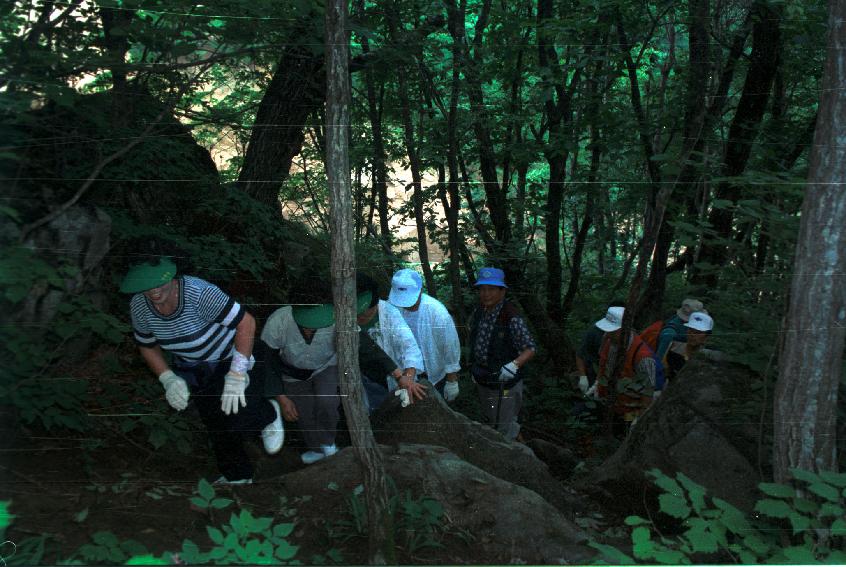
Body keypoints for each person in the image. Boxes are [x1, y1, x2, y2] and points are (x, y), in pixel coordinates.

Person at [121, 254, 283, 485]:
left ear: (173, 275)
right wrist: (167, 378)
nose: (153, 291)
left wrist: (237, 373)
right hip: (194, 366)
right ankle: (237, 476)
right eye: (145, 285)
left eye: (158, 282)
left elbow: (246, 323)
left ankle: (268, 413)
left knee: (236, 414)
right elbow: (147, 345)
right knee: (215, 422)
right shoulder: (139, 306)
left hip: (234, 353)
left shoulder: (198, 293)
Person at [257, 286, 341, 466]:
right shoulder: (279, 320)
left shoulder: (337, 317)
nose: (310, 327)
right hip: (291, 371)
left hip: (325, 366)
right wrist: (280, 397)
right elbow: (267, 362)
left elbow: (363, 347)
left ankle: (329, 443)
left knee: (327, 400)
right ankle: (316, 449)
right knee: (301, 411)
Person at [467, 267, 536, 440]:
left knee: (503, 426)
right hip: (483, 378)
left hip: (505, 383)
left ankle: (512, 457)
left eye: (491, 289)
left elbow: (530, 348)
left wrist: (514, 365)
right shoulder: (479, 312)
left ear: (502, 291)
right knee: (491, 419)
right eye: (482, 289)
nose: (486, 294)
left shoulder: (511, 316)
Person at [356, 274, 427, 411]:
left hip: (390, 375)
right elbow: (367, 347)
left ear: (376, 304)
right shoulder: (344, 315)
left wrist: (408, 377)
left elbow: (409, 345)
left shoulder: (389, 312)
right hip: (366, 375)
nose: (361, 318)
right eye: (358, 314)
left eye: (366, 314)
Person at [388, 268, 461, 402]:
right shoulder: (392, 308)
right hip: (404, 373)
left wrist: (452, 380)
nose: (405, 304)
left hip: (433, 373)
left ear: (420, 291)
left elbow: (449, 345)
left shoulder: (437, 313)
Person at [592, 306, 662, 429]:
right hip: (609, 405)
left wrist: (640, 417)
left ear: (624, 330)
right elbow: (603, 365)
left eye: (612, 331)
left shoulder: (644, 357)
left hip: (629, 410)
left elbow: (648, 392)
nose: (607, 334)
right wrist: (597, 384)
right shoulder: (609, 342)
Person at [576, 299, 626, 395]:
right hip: (594, 373)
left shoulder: (629, 335)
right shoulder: (595, 331)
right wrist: (583, 376)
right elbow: (580, 354)